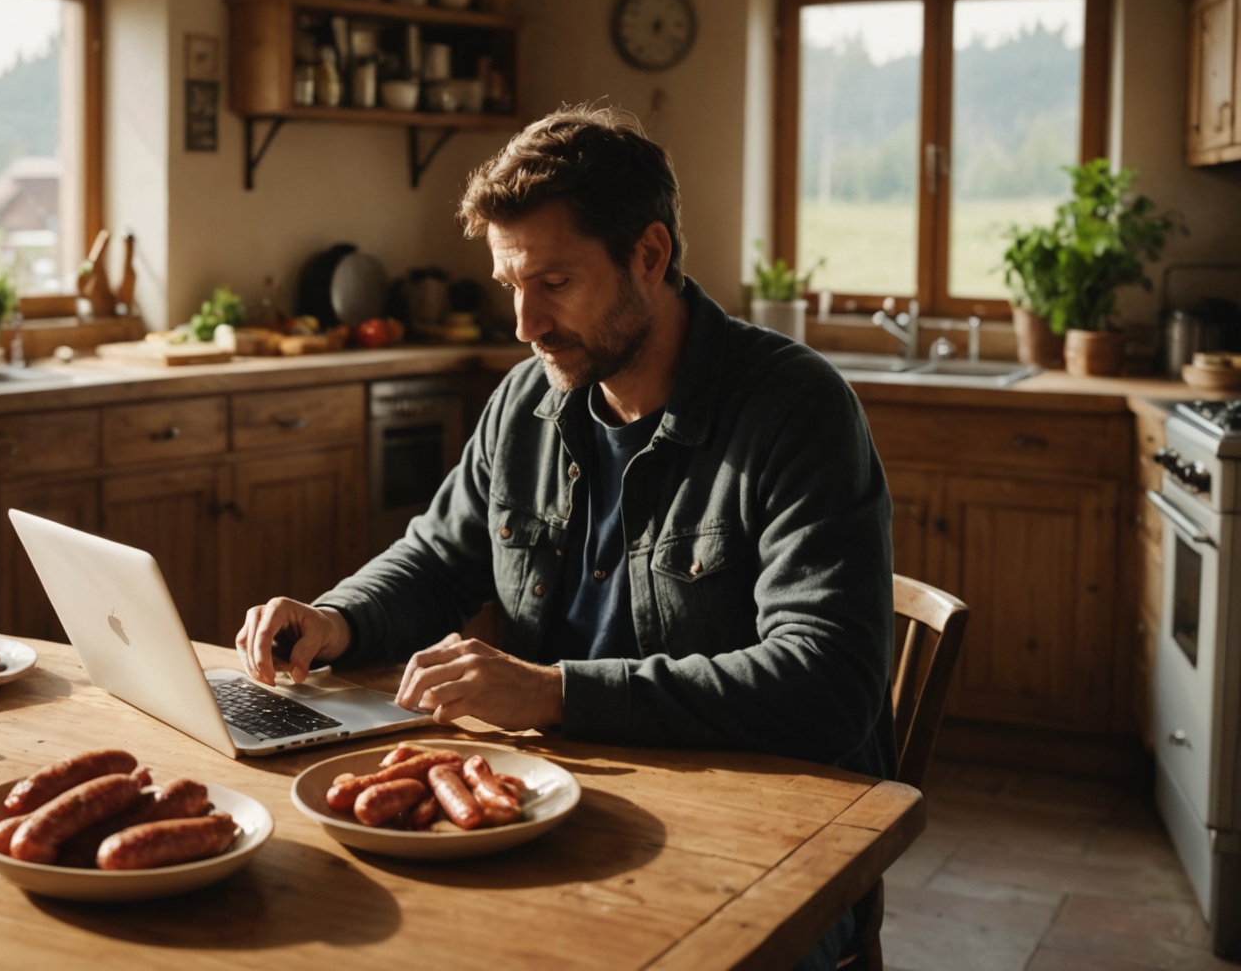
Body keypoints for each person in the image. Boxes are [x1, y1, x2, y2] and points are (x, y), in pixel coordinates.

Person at [235, 104, 893, 970]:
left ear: (649, 256)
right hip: (553, 809)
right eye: (511, 284)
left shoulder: (795, 409)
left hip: (762, 848)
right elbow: (438, 557)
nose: (525, 323)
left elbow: (826, 684)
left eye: (554, 282)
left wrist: (552, 694)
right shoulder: (525, 402)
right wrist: (336, 619)